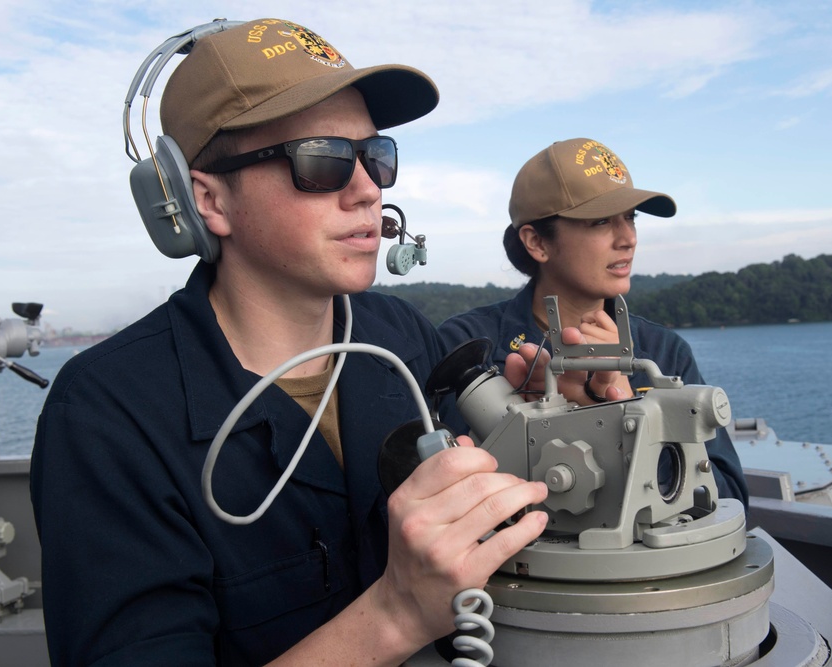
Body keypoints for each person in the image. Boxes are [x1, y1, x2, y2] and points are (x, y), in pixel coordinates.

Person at [30, 18, 565, 666]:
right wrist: (395, 612)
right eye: (323, 160)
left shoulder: (403, 339)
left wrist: (558, 425)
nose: (369, 188)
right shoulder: (106, 414)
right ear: (208, 201)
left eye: (376, 156)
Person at [438, 137, 748, 504]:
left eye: (630, 218)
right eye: (600, 221)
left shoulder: (665, 352)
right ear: (537, 242)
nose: (628, 238)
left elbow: (728, 499)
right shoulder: (466, 348)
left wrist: (628, 410)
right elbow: (447, 490)